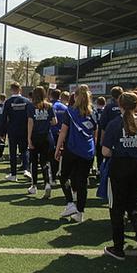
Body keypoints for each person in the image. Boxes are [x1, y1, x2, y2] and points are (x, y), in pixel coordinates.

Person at [101, 91, 137, 260]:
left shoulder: (115, 124)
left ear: (120, 105)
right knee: (134, 204)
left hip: (119, 167)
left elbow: (106, 151)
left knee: (116, 208)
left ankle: (118, 248)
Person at [55, 85, 97, 222]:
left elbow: (63, 131)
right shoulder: (93, 113)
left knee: (63, 176)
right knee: (82, 182)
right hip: (88, 151)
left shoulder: (70, 111)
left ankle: (70, 203)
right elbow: (95, 133)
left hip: (72, 150)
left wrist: (58, 148)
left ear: (76, 96)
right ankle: (80, 213)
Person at [26, 86, 56, 198]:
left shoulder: (31, 106)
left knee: (34, 162)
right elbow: (54, 121)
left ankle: (34, 186)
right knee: (44, 161)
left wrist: (28, 138)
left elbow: (30, 122)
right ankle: (47, 183)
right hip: (47, 137)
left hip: (35, 136)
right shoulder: (49, 106)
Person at [3, 82, 33, 182]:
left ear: (11, 90)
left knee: (12, 152)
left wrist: (3, 132)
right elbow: (30, 117)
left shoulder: (8, 102)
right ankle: (26, 169)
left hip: (12, 130)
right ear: (20, 89)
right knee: (24, 150)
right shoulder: (27, 101)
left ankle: (13, 174)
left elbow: (4, 118)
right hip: (24, 129)